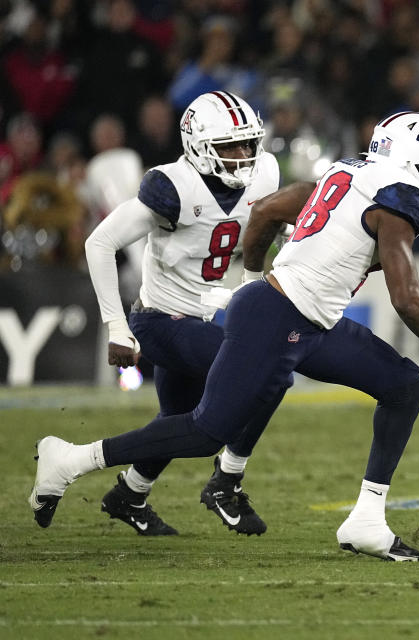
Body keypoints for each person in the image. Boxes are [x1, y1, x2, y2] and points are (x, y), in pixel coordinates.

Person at [31, 111, 419, 562]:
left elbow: (266, 212)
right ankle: (71, 459)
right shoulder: (397, 200)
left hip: (306, 320)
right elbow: (406, 296)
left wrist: (251, 279)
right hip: (280, 317)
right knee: (206, 430)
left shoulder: (349, 171)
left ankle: (366, 519)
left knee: (403, 386)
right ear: (417, 160)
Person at [82, 90, 286, 536]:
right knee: (268, 371)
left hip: (213, 311)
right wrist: (117, 327)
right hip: (162, 320)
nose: (242, 156)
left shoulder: (265, 172)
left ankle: (129, 494)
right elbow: (99, 243)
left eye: (247, 144)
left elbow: (278, 225)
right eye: (228, 147)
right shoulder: (174, 186)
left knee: (178, 421)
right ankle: (227, 480)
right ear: (198, 147)